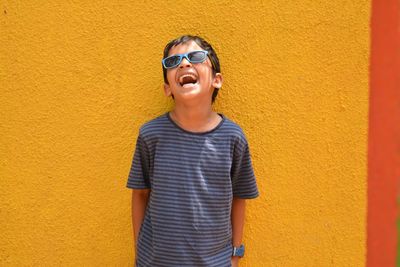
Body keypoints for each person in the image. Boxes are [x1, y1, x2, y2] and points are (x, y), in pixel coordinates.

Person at [126, 35, 259, 267]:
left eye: (195, 57)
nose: (184, 64)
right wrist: (140, 253)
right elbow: (139, 194)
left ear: (217, 80)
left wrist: (236, 254)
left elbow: (239, 197)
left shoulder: (233, 138)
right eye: (173, 62)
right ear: (167, 88)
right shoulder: (151, 135)